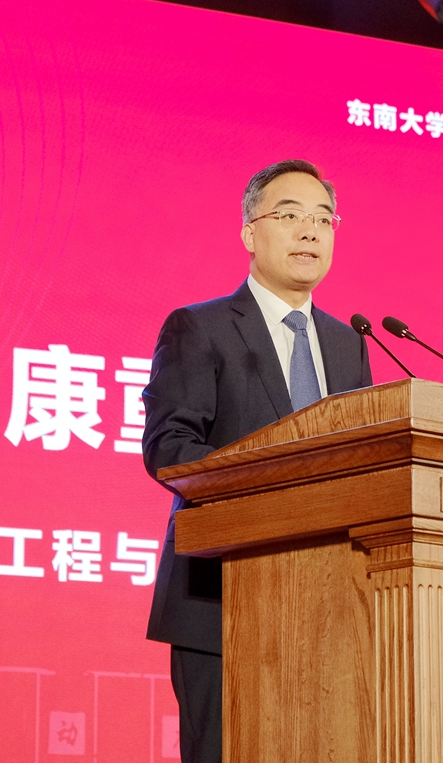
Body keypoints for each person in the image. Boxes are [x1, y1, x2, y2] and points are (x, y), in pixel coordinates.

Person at [141, 159, 373, 763]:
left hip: (331, 606)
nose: (310, 230)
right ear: (250, 233)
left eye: (323, 218)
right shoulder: (200, 328)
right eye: (290, 215)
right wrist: (273, 488)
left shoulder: (349, 344)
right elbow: (170, 447)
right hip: (224, 598)